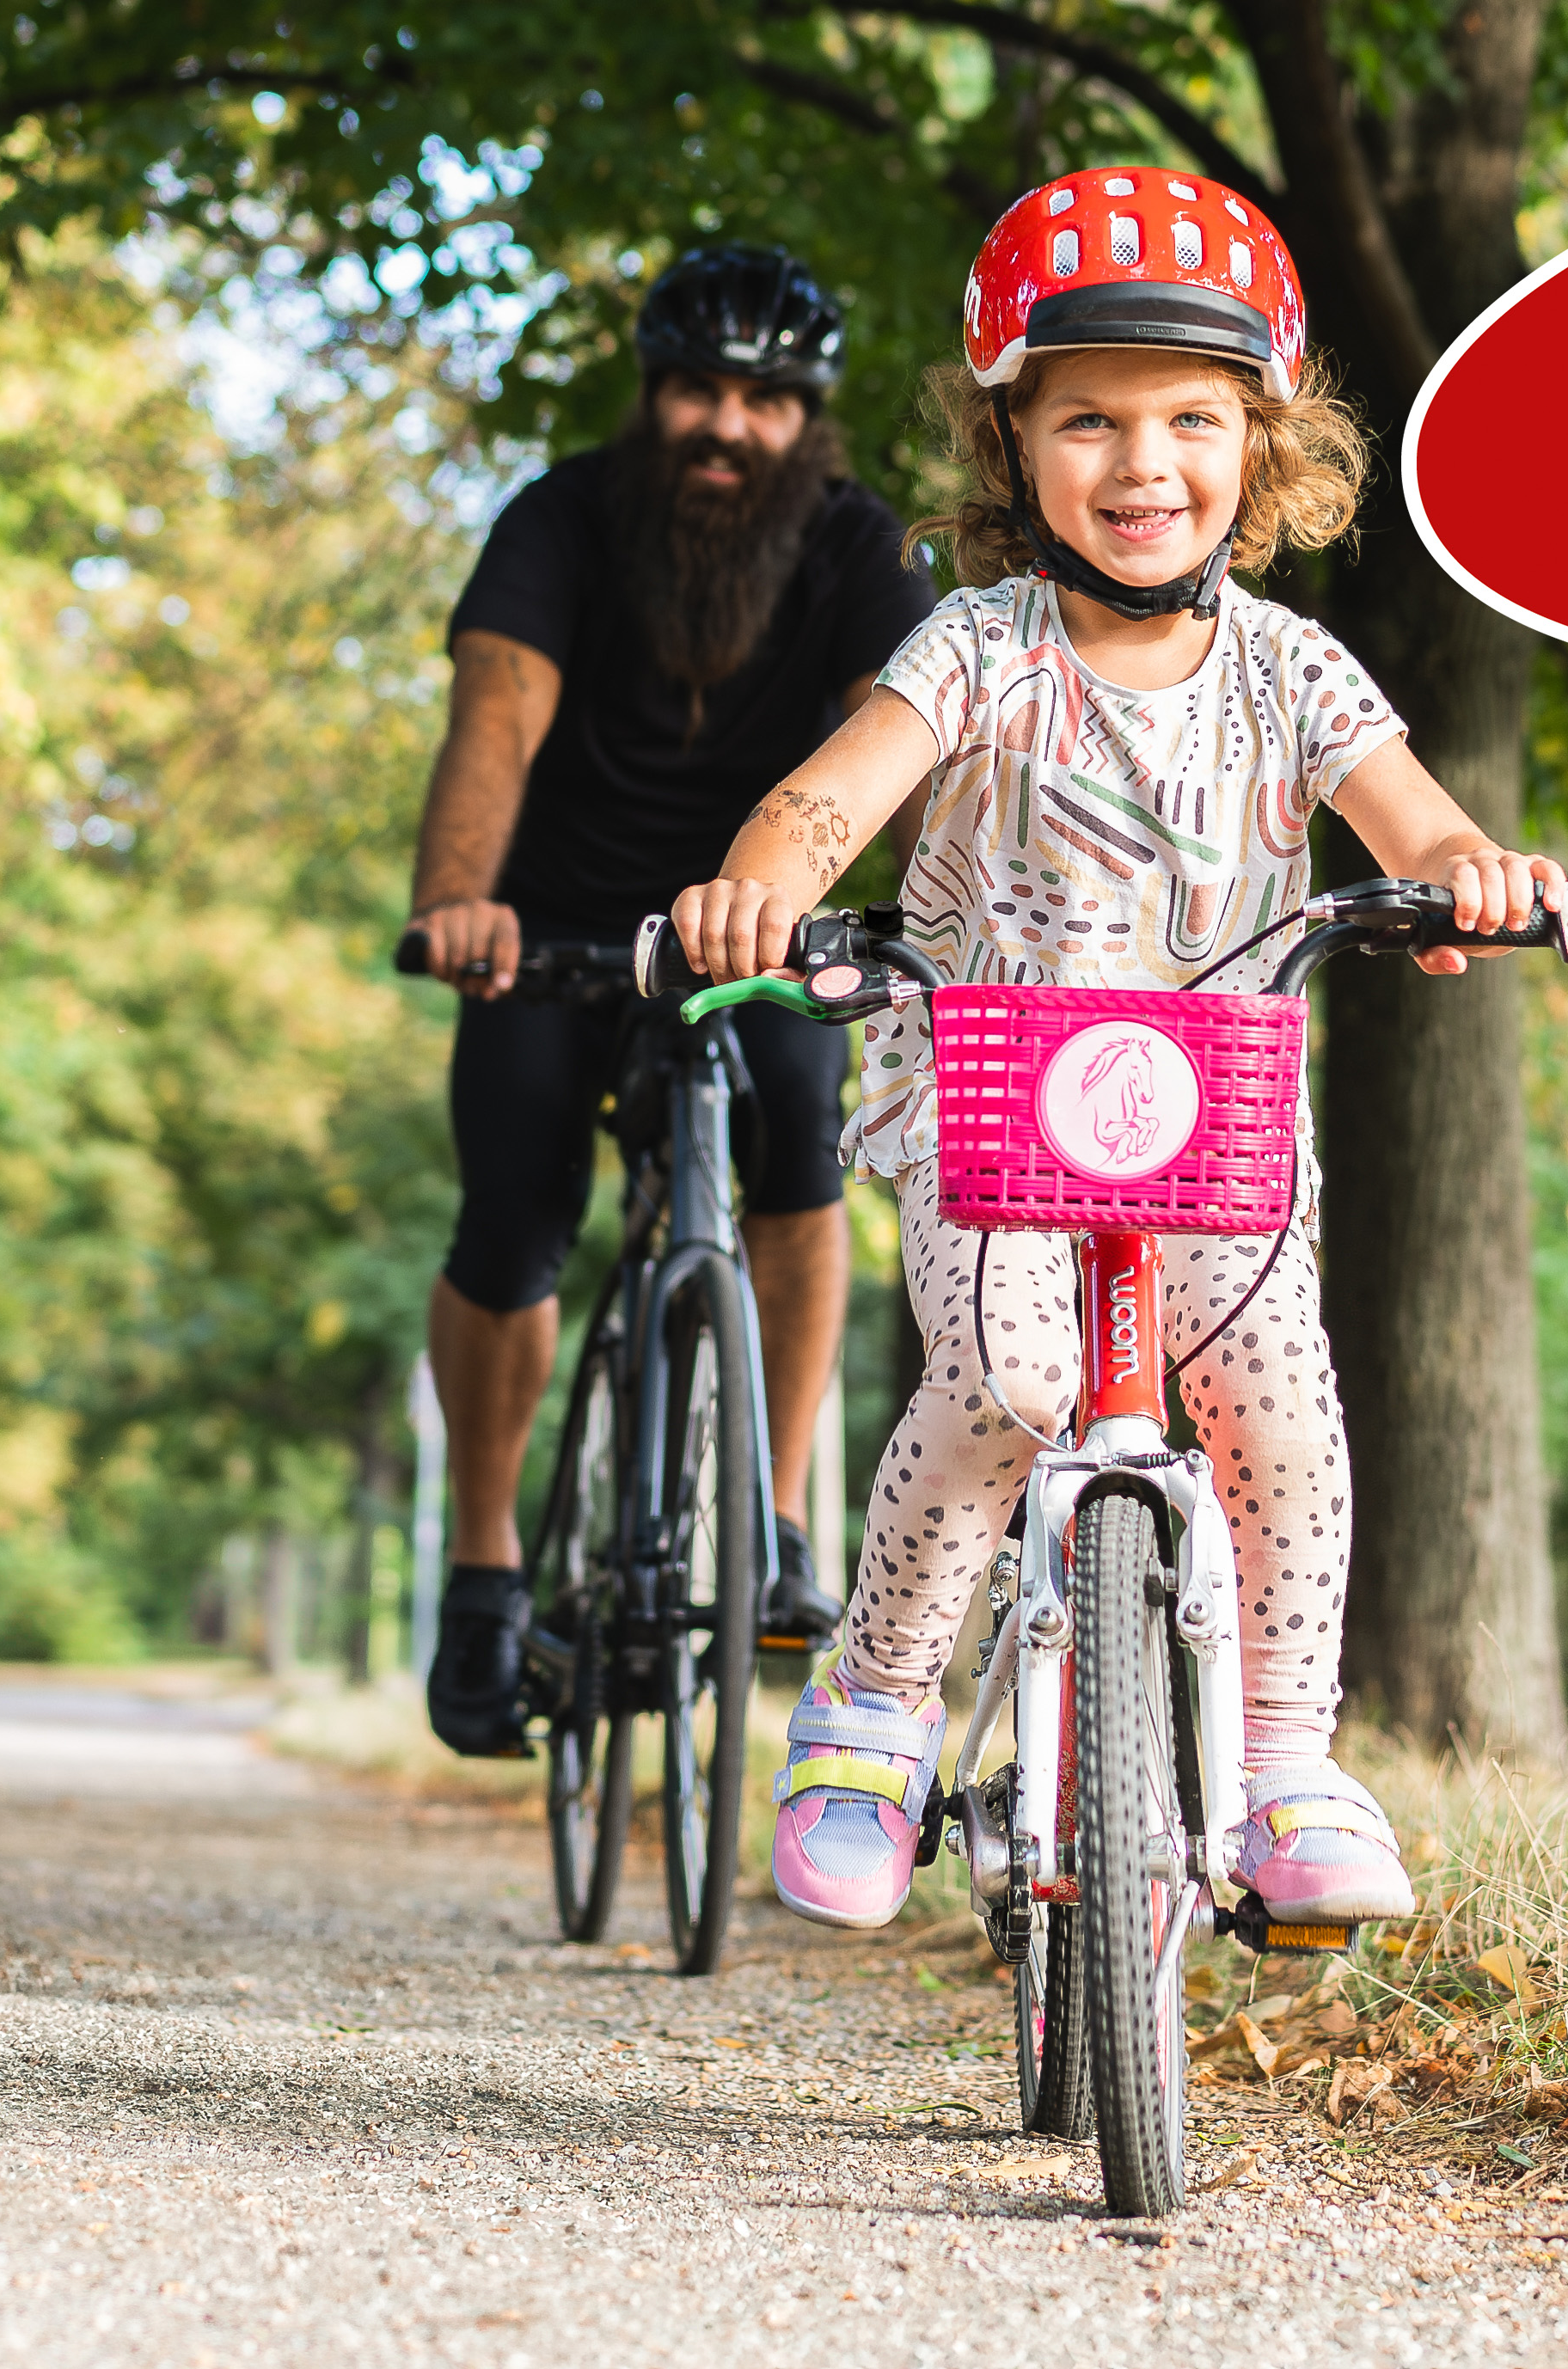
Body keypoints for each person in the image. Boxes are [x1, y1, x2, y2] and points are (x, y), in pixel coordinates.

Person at [667, 168, 1568, 1931]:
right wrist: (756, 887)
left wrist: (1468, 883)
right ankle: (872, 1706)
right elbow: (825, 797)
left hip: (1214, 1123)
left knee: (1284, 1417)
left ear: (1264, 442)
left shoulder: (1297, 676)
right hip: (991, 1106)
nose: (1141, 463)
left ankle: (1290, 1760)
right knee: (1005, 1377)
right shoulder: (977, 650)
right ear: (1016, 449)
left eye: (1190, 421)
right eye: (1088, 420)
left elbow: (1420, 828)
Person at [409, 246, 940, 1758]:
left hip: (762, 928)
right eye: (701, 390)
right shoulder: (562, 517)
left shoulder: (853, 547)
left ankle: (772, 1518)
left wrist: (950, 925)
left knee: (795, 1137)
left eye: (766, 399)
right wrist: (459, 899)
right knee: (508, 1219)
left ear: (808, 419)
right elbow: (495, 716)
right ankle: (487, 1567)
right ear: (653, 398)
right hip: (554, 925)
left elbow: (889, 751)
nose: (728, 425)